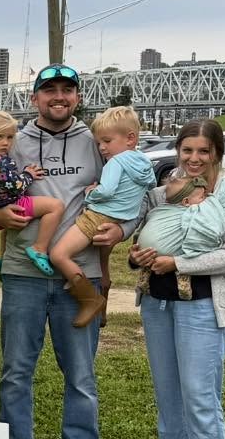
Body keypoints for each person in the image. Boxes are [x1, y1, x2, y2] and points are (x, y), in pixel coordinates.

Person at [0, 65, 136, 439]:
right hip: (23, 273)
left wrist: (122, 230)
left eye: (67, 90)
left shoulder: (98, 143)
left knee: (81, 374)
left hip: (81, 276)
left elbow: (136, 196)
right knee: (16, 369)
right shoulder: (12, 142)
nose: (58, 96)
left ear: (77, 97)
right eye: (48, 90)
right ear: (34, 98)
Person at [129, 120, 225, 439]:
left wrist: (178, 262)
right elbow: (143, 235)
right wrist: (139, 256)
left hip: (202, 305)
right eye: (187, 150)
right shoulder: (163, 192)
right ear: (178, 151)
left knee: (200, 394)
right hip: (157, 302)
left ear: (217, 152)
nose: (194, 159)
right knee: (167, 391)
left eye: (203, 151)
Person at [49, 106, 156, 327]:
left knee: (58, 255)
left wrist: (90, 194)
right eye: (99, 142)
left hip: (98, 216)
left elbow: (106, 191)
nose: (102, 148)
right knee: (101, 264)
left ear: (130, 138)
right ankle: (101, 310)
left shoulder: (115, 162)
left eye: (106, 141)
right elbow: (151, 186)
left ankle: (90, 300)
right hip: (119, 220)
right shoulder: (144, 162)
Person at [0, 110, 66, 278]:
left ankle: (2, 259)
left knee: (6, 231)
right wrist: (28, 174)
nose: (6, 143)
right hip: (14, 205)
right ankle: (40, 248)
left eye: (9, 137)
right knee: (55, 206)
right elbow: (15, 186)